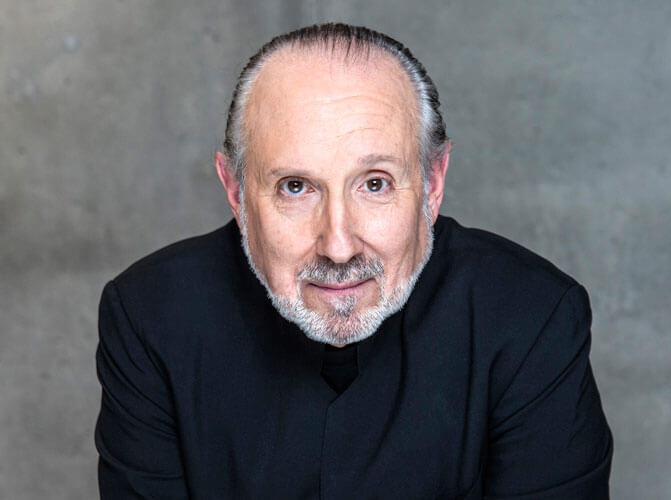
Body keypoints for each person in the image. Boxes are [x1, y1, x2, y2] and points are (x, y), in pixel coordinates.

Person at [95, 23, 612, 499]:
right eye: (295, 187)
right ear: (235, 190)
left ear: (433, 184)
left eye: (375, 184)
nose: (338, 247)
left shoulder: (533, 318)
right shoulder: (150, 317)